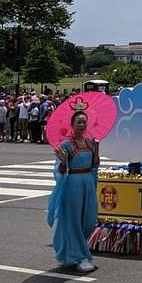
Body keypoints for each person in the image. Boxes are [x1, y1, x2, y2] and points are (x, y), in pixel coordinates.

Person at [47, 107, 100, 272]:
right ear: (72, 124)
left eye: (84, 122)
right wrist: (63, 161)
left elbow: (94, 166)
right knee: (73, 221)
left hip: (88, 184)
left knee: (88, 221)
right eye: (79, 122)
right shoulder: (66, 145)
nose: (82, 125)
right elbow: (60, 172)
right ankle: (80, 257)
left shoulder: (91, 143)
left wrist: (97, 151)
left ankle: (72, 252)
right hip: (73, 185)